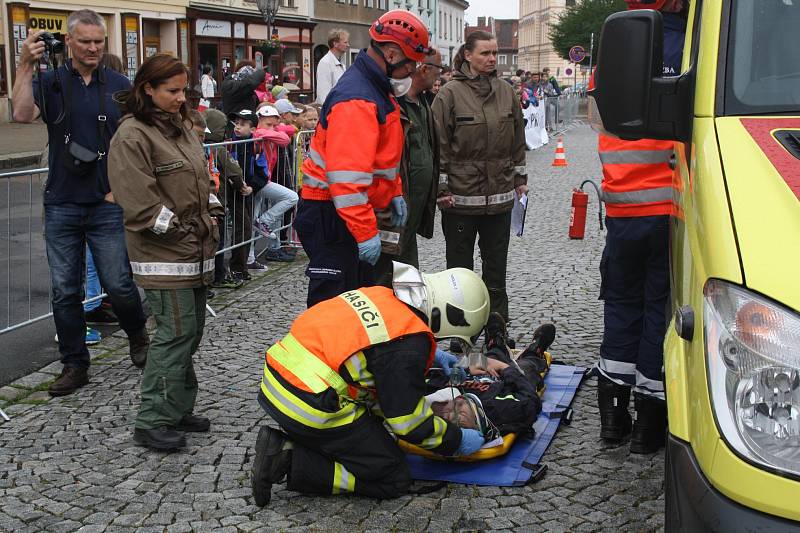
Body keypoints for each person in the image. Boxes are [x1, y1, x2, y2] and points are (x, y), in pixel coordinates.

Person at [251, 262, 491, 505]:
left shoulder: (381, 294)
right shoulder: (409, 345)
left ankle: (309, 445)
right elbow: (408, 424)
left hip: (278, 379)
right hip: (310, 404)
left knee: (371, 432)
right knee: (392, 475)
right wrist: (456, 441)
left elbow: (374, 348)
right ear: (451, 316)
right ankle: (288, 459)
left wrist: (429, 357)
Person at [11, 9, 149, 396]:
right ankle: (74, 364)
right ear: (69, 42)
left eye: (98, 42)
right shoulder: (51, 80)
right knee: (65, 290)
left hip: (107, 202)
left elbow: (138, 142)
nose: (92, 48)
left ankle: (138, 335)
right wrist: (24, 64)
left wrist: (122, 188)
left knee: (119, 284)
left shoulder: (120, 84)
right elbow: (22, 113)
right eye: (85, 41)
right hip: (62, 201)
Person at [108, 53, 223, 451]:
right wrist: (182, 230)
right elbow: (140, 205)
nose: (180, 98)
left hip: (193, 250)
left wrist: (213, 211)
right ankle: (152, 418)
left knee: (189, 334)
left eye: (182, 90)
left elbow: (201, 181)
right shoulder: (133, 135)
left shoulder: (181, 129)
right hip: (165, 256)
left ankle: (175, 408)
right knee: (175, 334)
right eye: (172, 91)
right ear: (148, 90)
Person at [593, 0, 686, 454]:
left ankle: (613, 419)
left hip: (622, 209)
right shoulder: (690, 47)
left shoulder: (611, 52)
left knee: (622, 304)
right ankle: (649, 427)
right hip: (673, 209)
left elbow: (600, 121)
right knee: (659, 311)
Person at [295, 10, 434, 308]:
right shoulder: (358, 99)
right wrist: (365, 233)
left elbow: (382, 157)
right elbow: (346, 180)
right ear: (392, 54)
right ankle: (324, 355)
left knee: (354, 301)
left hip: (341, 210)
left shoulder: (375, 89)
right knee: (334, 305)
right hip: (331, 213)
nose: (413, 71)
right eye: (410, 63)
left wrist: (394, 191)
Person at [431, 30, 527, 333]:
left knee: (496, 270)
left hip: (499, 198)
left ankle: (497, 328)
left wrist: (520, 179)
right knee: (460, 273)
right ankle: (462, 330)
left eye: (495, 53)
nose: (491, 59)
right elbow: (438, 146)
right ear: (468, 55)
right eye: (485, 53)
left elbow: (517, 141)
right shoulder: (449, 94)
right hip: (460, 200)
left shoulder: (506, 91)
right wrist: (442, 189)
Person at [374, 51, 443, 285]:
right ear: (424, 69)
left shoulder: (423, 102)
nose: (439, 77)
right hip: (396, 201)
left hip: (415, 204)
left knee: (407, 260)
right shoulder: (394, 104)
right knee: (389, 263)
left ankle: (408, 311)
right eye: (438, 70)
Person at [204, 109, 252, 289]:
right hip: (218, 202)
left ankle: (215, 277)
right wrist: (242, 186)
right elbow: (235, 172)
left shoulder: (201, 146)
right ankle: (218, 276)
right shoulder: (218, 149)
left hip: (211, 201)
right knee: (218, 241)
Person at [250, 103, 297, 263]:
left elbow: (289, 133)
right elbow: (281, 137)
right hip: (257, 181)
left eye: (273, 125)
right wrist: (268, 131)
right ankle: (251, 257)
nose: (271, 128)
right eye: (267, 124)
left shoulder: (270, 133)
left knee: (255, 220)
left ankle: (253, 257)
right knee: (291, 197)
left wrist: (273, 129)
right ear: (258, 120)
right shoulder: (257, 133)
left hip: (265, 179)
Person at [228, 109, 266, 277]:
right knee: (238, 228)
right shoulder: (229, 142)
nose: (237, 127)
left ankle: (240, 267)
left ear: (252, 129)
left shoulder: (256, 145)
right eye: (236, 123)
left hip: (246, 192)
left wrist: (251, 187)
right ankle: (236, 267)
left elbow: (262, 173)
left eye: (242, 124)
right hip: (230, 189)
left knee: (244, 228)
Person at [316, 29, 349, 104]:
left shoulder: (341, 64)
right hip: (332, 110)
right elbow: (323, 95)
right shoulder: (325, 63)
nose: (348, 45)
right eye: (345, 42)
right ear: (335, 44)